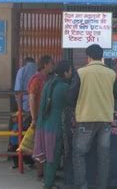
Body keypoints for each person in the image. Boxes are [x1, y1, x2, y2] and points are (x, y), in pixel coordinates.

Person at [69, 44, 117, 189]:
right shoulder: (111, 73)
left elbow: (70, 96)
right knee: (103, 156)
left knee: (79, 153)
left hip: (85, 119)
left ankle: (82, 186)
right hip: (105, 119)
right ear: (101, 56)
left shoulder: (81, 72)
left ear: (89, 57)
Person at [34, 60, 73, 189]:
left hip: (44, 125)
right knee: (53, 157)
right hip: (55, 127)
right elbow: (73, 103)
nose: (71, 73)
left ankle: (47, 182)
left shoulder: (49, 83)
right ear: (65, 72)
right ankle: (48, 184)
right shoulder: (64, 87)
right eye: (70, 70)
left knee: (47, 156)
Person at [28, 55, 54, 179]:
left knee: (45, 144)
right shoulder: (37, 79)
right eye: (51, 64)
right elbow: (32, 98)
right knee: (39, 145)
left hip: (46, 116)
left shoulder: (47, 78)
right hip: (39, 117)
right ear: (45, 64)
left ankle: (45, 172)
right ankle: (40, 173)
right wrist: (34, 118)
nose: (52, 66)